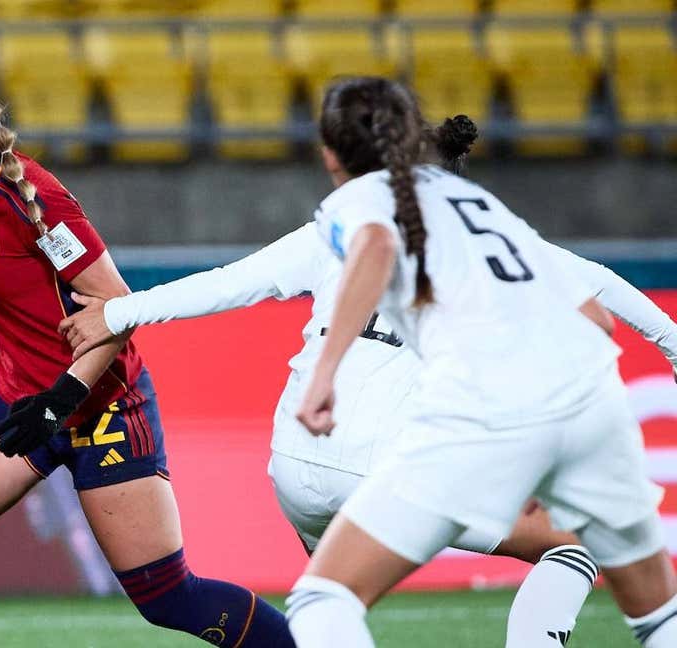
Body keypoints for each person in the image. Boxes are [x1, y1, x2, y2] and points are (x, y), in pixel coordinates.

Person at [58, 115, 677, 647]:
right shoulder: (493, 244)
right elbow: (605, 286)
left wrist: (117, 312)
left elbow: (226, 284)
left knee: (332, 601)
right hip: (382, 466)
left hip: (293, 464)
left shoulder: (339, 228)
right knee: (573, 542)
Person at [0, 48, 296, 648]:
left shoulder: (35, 203)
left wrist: (61, 401)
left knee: (168, 598)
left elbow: (116, 310)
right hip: (23, 402)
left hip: (102, 409)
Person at [262, 75, 676, 647]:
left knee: (324, 595)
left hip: (446, 436)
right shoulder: (490, 224)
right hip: (580, 414)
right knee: (650, 608)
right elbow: (597, 308)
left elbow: (372, 254)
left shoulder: (360, 219)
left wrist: (326, 372)